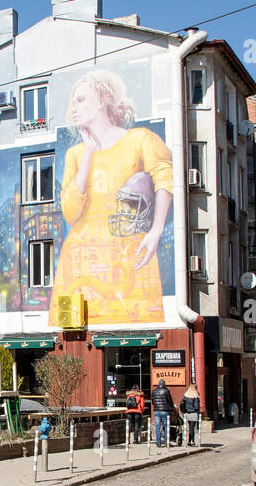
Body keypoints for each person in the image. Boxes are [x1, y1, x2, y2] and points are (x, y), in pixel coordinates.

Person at [48, 70, 174, 327]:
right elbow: (70, 212)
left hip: (131, 258)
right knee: (72, 338)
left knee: (139, 325)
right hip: (79, 264)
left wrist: (156, 229)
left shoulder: (140, 140)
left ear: (103, 99)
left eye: (81, 99)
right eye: (73, 101)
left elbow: (165, 177)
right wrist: (89, 153)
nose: (74, 107)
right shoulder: (75, 154)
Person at [150, 381, 173, 447]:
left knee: (157, 426)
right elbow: (170, 400)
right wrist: (171, 407)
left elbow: (153, 401)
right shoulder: (166, 391)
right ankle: (166, 442)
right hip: (165, 411)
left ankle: (158, 442)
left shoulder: (154, 391)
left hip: (156, 411)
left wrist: (156, 406)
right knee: (166, 426)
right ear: (164, 384)